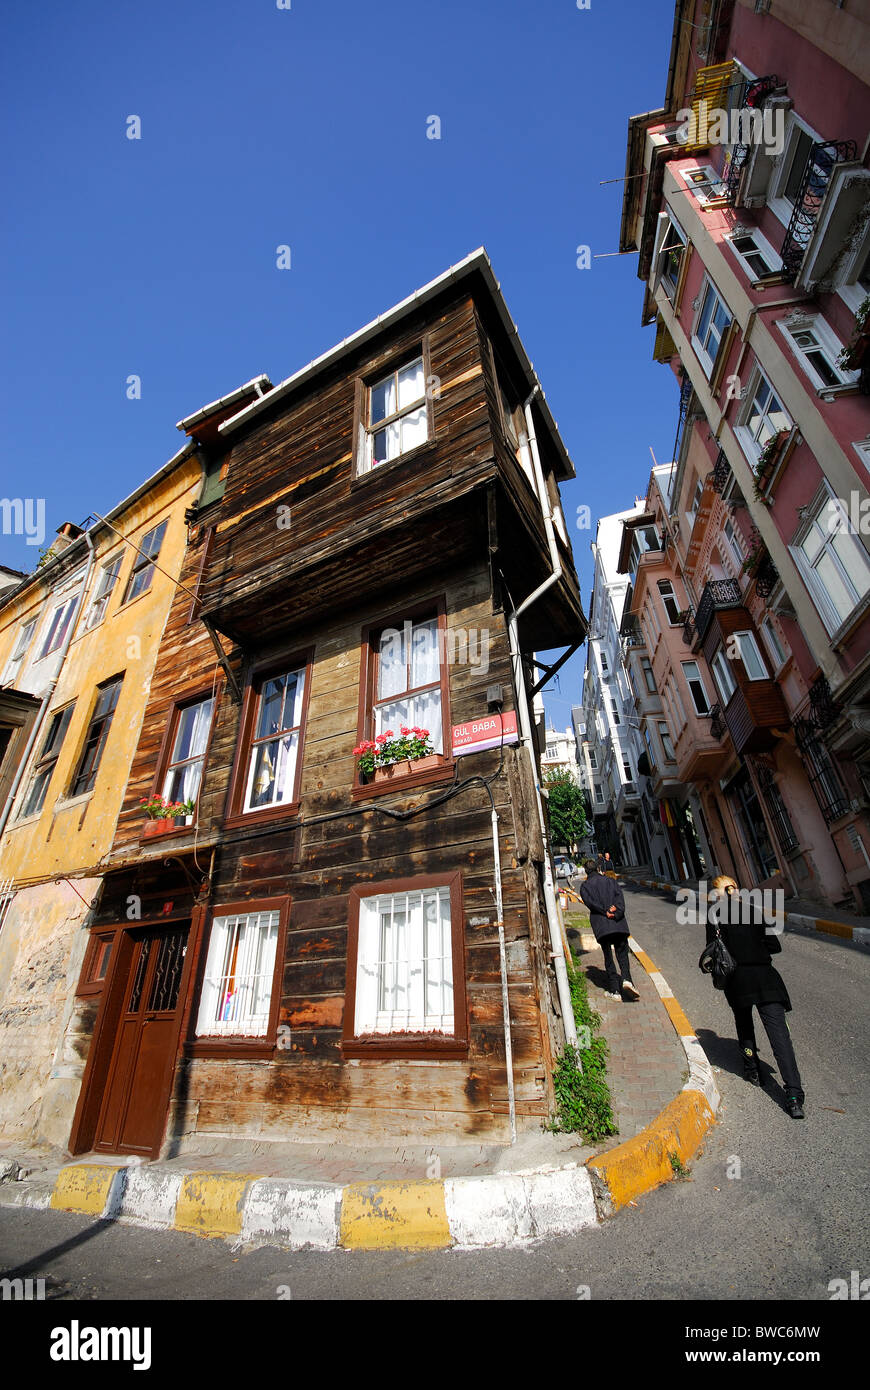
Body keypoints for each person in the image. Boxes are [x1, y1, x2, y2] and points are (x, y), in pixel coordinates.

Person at [705, 874, 805, 1119]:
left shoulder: (714, 917)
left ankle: (752, 1070)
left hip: (738, 981)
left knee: (744, 1023)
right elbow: (774, 945)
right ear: (736, 890)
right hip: (765, 978)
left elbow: (713, 950)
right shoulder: (752, 911)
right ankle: (793, 1096)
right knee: (780, 1036)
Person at [579, 859, 640, 1001]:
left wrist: (604, 911)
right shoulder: (611, 881)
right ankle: (627, 980)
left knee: (608, 956)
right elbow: (620, 899)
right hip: (618, 923)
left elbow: (590, 903)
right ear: (598, 868)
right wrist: (616, 913)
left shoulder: (585, 887)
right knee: (622, 953)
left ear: (586, 871)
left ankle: (615, 990)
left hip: (601, 926)